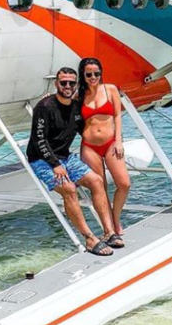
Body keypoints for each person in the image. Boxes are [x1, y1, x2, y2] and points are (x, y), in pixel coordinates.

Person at [27, 68, 116, 256]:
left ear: (76, 85)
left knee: (97, 181)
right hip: (42, 159)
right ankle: (90, 239)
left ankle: (109, 232)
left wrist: (109, 144)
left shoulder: (76, 107)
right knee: (69, 189)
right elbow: (38, 139)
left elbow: (91, 127)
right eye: (63, 82)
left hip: (66, 157)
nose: (67, 86)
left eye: (71, 83)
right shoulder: (45, 106)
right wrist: (55, 164)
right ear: (56, 84)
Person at [78, 57, 130, 249]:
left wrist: (118, 141)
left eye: (96, 73)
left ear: (101, 73)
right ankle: (110, 231)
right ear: (83, 75)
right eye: (89, 74)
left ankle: (115, 219)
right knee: (100, 188)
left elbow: (117, 115)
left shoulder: (110, 89)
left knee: (124, 183)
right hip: (89, 145)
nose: (93, 77)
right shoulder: (79, 95)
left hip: (110, 143)